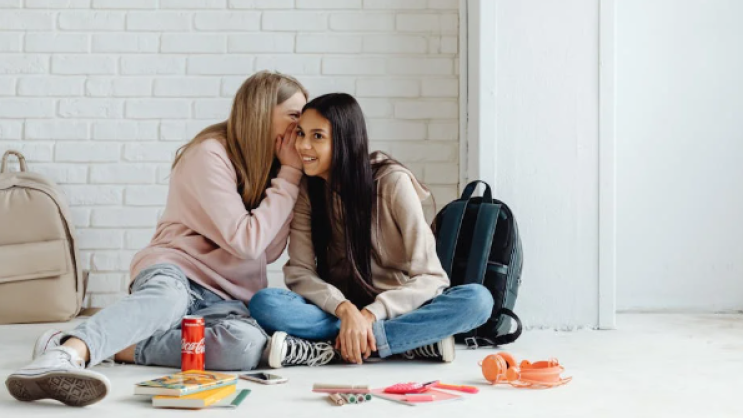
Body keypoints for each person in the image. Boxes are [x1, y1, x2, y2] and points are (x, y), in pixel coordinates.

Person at [6, 71, 308, 407]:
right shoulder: (209, 154)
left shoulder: (278, 172)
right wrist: (290, 176)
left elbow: (267, 250)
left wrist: (288, 177)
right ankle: (66, 354)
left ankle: (114, 345)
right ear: (262, 112)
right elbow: (247, 243)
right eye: (294, 115)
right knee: (168, 300)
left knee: (246, 346)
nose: (300, 127)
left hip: (226, 297)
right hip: (178, 271)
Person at [249, 93, 494, 368]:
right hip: (338, 311)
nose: (303, 145)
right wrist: (345, 310)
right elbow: (299, 272)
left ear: (345, 140)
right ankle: (407, 342)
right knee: (265, 303)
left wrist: (370, 315)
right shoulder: (308, 190)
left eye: (317, 136)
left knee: (478, 301)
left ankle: (332, 348)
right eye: (301, 134)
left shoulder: (392, 182)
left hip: (396, 309)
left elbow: (430, 276)